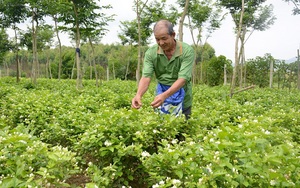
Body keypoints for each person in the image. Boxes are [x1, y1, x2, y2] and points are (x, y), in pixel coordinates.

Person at [131, 19, 194, 120]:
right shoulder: (151, 53)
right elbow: (146, 77)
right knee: (162, 127)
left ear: (173, 35)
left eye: (164, 38)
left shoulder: (187, 51)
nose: (161, 43)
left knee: (182, 129)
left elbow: (183, 78)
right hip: (161, 96)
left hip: (183, 97)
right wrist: (138, 95)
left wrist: (165, 96)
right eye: (157, 39)